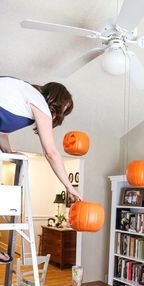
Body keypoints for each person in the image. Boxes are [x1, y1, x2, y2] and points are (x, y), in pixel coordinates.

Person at [0, 76, 82, 262]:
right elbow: (51, 152)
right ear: (56, 101)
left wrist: (9, 151)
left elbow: (2, 131)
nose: (60, 115)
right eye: (63, 110)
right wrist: (69, 187)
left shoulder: (23, 95)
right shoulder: (39, 103)